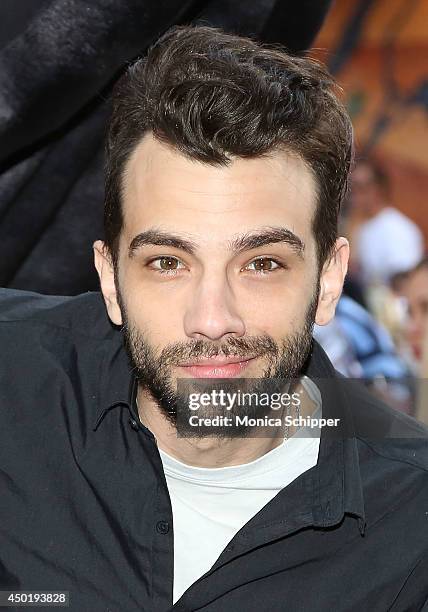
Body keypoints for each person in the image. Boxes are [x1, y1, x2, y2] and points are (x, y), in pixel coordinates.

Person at [1, 25, 427, 612]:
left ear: (328, 280)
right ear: (110, 279)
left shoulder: (413, 523)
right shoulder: (12, 381)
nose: (213, 319)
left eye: (261, 263)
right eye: (168, 262)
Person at [349, 158, 424, 286]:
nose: (354, 196)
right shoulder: (362, 228)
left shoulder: (398, 229)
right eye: (352, 188)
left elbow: (404, 280)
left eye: (361, 188)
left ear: (379, 189)